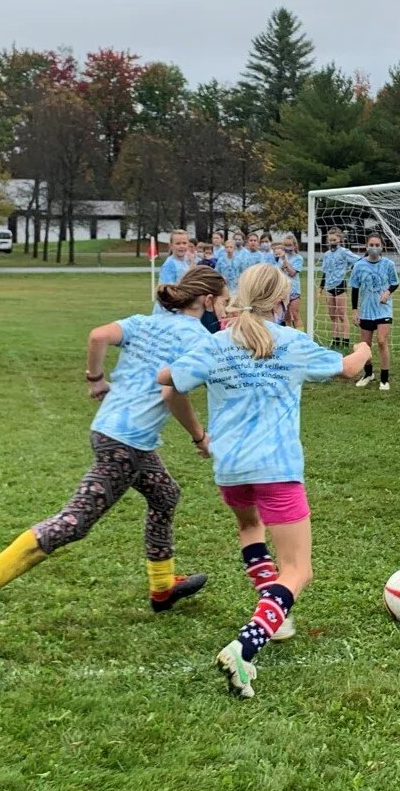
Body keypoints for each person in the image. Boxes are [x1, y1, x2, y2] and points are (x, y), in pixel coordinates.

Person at [0, 267, 227, 641]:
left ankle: (163, 587)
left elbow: (98, 335)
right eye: (224, 301)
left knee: (165, 494)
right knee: (75, 521)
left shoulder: (146, 322)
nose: (225, 307)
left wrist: (95, 379)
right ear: (208, 300)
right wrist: (199, 437)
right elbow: (171, 393)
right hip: (125, 444)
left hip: (110, 430)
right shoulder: (198, 339)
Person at [158, 264, 371, 699]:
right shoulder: (290, 342)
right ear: (280, 302)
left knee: (249, 527)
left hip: (230, 467)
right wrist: (364, 347)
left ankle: (274, 610)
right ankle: (245, 646)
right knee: (298, 570)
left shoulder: (216, 343)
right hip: (277, 468)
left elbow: (169, 383)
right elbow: (349, 369)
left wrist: (198, 433)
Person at [348, 233, 398, 390]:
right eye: (371, 245)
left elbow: (395, 283)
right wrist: (355, 310)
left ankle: (384, 379)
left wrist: (387, 292)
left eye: (377, 245)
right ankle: (368, 374)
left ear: (382, 247)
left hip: (383, 309)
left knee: (382, 340)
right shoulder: (359, 266)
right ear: (366, 246)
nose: (374, 248)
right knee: (365, 345)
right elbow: (355, 289)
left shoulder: (388, 264)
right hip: (367, 310)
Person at [318, 229, 358, 348]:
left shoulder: (344, 252)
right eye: (330, 240)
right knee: (332, 315)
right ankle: (335, 339)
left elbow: (357, 260)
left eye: (334, 239)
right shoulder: (326, 255)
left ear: (339, 239)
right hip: (329, 286)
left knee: (341, 314)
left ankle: (345, 340)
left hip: (340, 284)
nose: (332, 242)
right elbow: (325, 272)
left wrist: (351, 270)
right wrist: (321, 288)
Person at [280, 233, 304, 328]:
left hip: (294, 290)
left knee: (295, 314)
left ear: (294, 246)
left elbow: (292, 273)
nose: (287, 247)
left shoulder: (298, 258)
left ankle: (301, 333)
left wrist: (285, 263)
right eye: (286, 245)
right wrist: (281, 267)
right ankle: (289, 334)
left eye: (289, 245)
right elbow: (279, 272)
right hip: (284, 290)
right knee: (286, 316)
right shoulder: (281, 258)